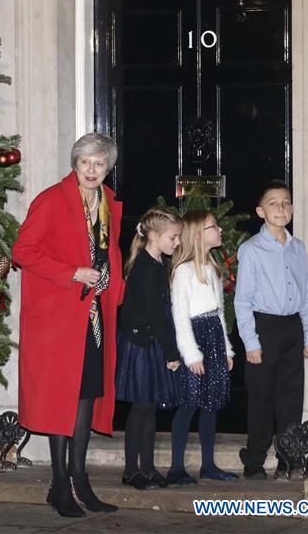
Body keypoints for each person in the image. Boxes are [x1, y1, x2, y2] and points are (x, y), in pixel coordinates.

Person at [12, 132, 123, 518]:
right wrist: (73, 272)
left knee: (86, 396)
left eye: (100, 164)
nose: (92, 170)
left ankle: (80, 478)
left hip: (92, 319)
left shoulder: (107, 203)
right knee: (62, 397)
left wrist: (112, 281)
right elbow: (23, 251)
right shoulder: (52, 199)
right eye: (85, 163)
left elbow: (110, 253)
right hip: (57, 320)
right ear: (75, 164)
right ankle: (60, 484)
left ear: (108, 168)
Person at [234, 180, 308, 480]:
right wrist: (251, 342)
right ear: (260, 211)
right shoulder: (252, 250)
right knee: (261, 396)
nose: (281, 208)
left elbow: (307, 292)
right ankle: (254, 460)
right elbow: (242, 301)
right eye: (273, 203)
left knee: (291, 397)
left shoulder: (298, 248)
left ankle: (289, 459)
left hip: (292, 328)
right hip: (264, 328)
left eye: (286, 202)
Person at [115, 207, 183, 490]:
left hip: (149, 341)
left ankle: (148, 467)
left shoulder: (155, 263)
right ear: (153, 236)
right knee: (141, 408)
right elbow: (156, 314)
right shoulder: (145, 266)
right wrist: (171, 352)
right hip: (142, 344)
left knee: (149, 408)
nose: (177, 243)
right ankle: (132, 470)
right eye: (173, 237)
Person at [167, 211, 238, 485]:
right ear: (198, 235)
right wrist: (192, 354)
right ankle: (176, 468)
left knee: (211, 404)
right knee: (189, 403)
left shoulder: (211, 268)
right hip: (194, 338)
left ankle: (208, 465)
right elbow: (180, 315)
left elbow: (219, 313)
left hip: (214, 337)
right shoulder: (183, 271)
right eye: (213, 226)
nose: (219, 230)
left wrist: (227, 350)